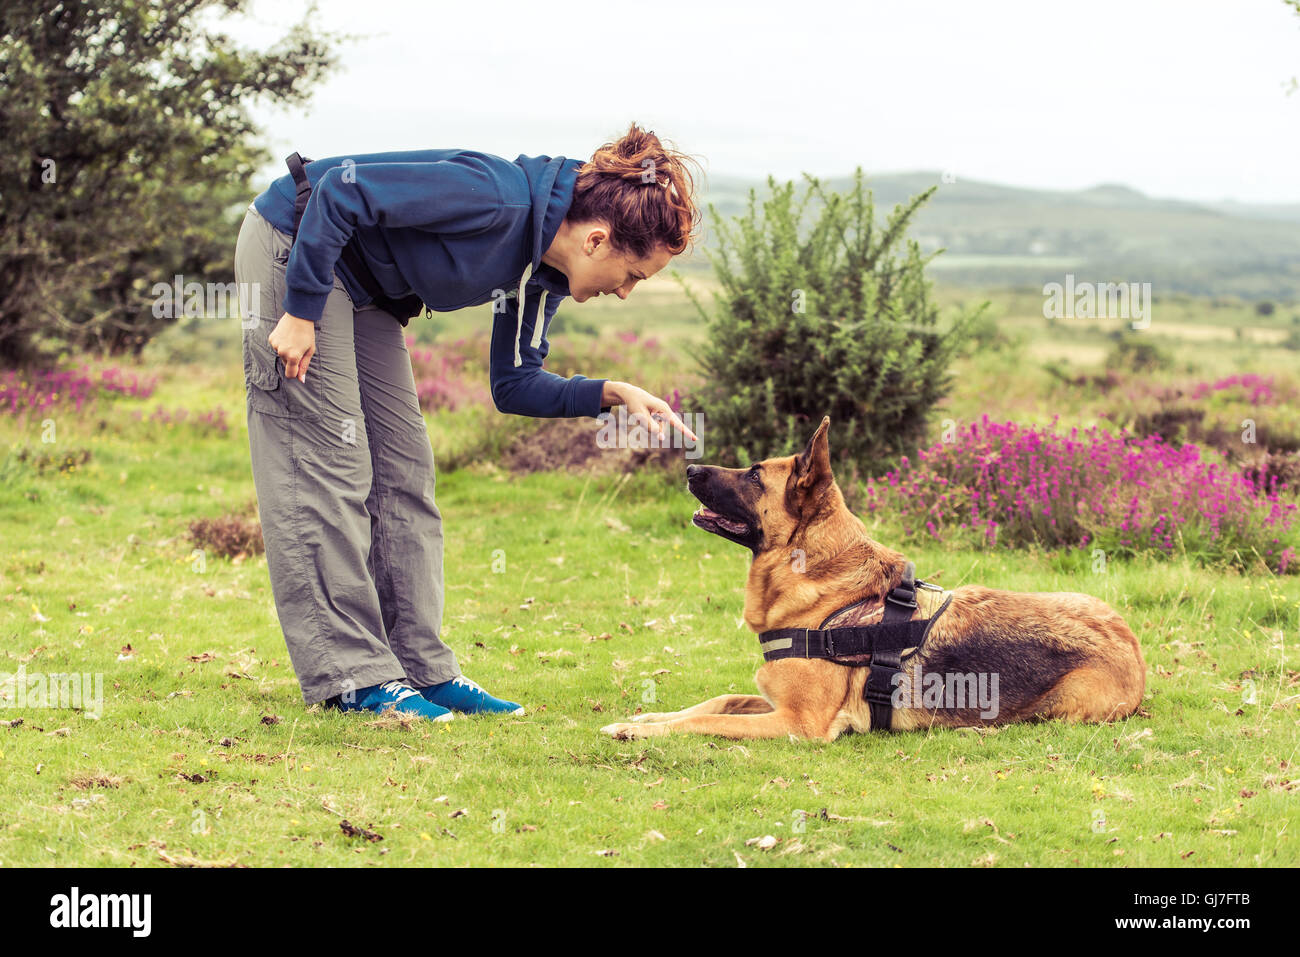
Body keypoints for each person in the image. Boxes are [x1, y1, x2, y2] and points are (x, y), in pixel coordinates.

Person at [233, 124, 701, 721]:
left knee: (404, 470)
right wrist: (299, 310)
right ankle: (351, 677)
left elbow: (515, 385)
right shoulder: (493, 195)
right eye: (634, 274)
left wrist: (611, 392)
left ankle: (421, 669)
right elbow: (339, 194)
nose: (628, 293)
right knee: (330, 463)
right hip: (298, 246)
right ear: (598, 240)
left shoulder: (542, 277)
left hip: (367, 290)